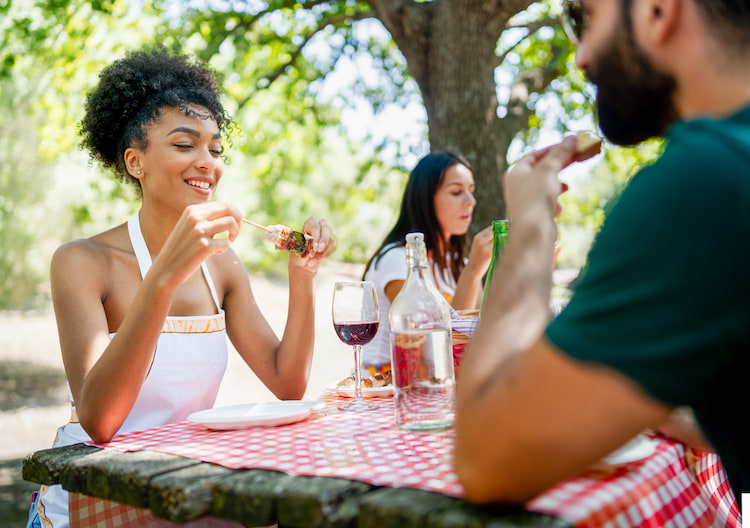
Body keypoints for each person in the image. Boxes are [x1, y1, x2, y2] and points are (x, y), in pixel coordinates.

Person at [455, 0, 750, 511]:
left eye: (584, 19)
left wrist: (528, 222)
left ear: (659, 10)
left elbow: (485, 459)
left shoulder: (704, 182)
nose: (581, 58)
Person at [28, 46, 336, 527]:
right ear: (135, 162)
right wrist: (165, 276)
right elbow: (101, 422)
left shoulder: (223, 265)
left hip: (179, 489)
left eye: (215, 148)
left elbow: (287, 382)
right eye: (183, 144)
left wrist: (303, 277)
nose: (206, 162)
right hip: (94, 496)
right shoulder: (82, 262)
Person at [361, 151, 493, 373]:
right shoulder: (398, 259)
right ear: (425, 198)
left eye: (471, 191)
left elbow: (475, 341)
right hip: (386, 391)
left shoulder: (458, 263)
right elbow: (436, 350)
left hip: (439, 391)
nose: (471, 202)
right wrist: (471, 274)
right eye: (456, 191)